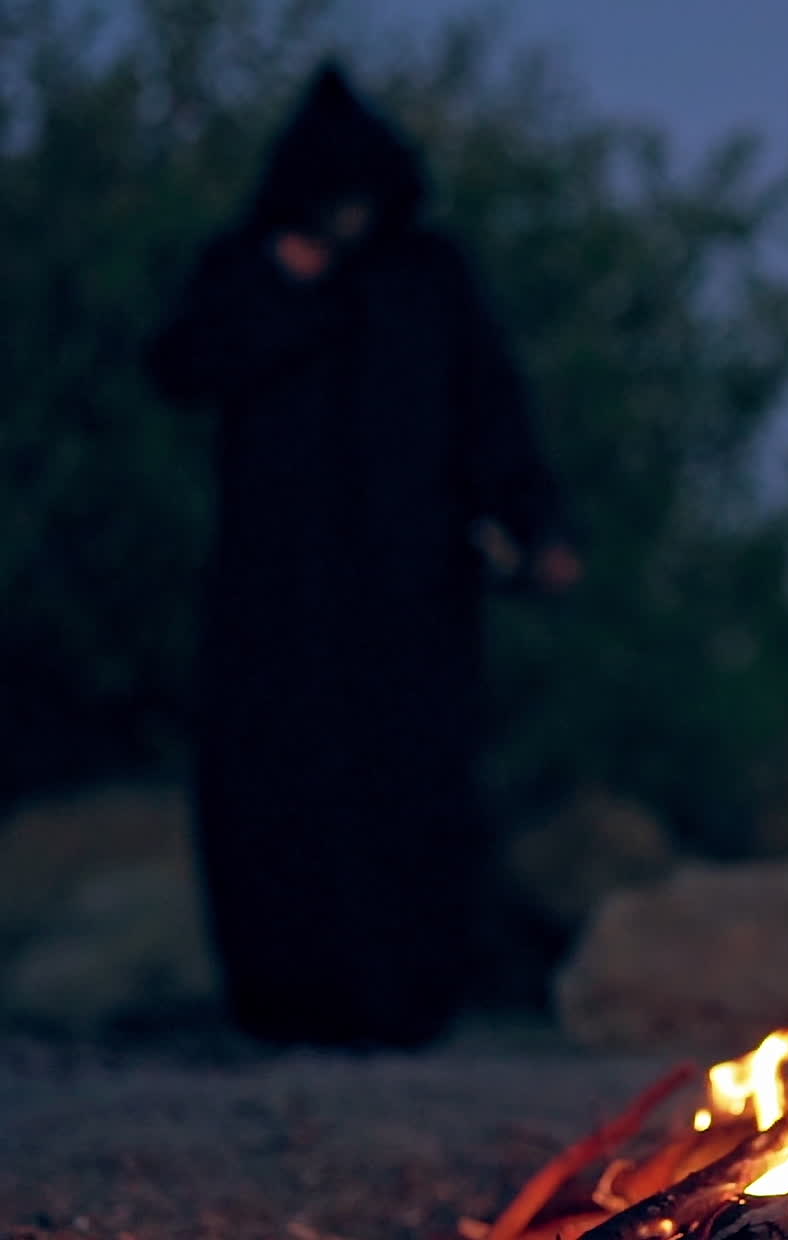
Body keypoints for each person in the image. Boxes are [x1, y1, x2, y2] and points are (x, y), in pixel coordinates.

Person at [147, 62, 580, 1047]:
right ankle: (283, 1003)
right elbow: (178, 364)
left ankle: (407, 1001)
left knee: (411, 789)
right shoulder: (247, 268)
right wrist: (277, 284)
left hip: (412, 592)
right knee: (277, 793)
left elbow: (489, 412)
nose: (344, 215)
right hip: (276, 599)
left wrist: (536, 523)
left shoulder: (427, 279)